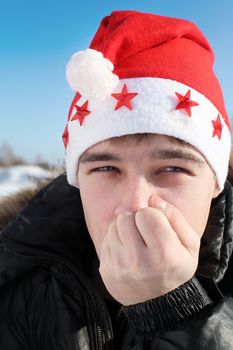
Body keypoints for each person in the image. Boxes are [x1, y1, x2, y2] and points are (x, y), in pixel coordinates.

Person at [0, 9, 232, 350]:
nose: (135, 202)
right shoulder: (14, 279)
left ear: (215, 180)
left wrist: (170, 309)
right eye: (106, 169)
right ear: (78, 179)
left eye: (171, 168)